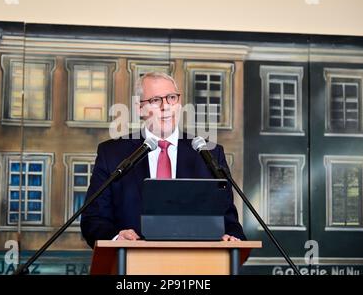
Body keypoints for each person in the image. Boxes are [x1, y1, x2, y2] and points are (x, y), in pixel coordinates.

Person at [80, 72, 246, 248]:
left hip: (195, 265)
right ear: (139, 108)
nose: (165, 106)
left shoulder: (208, 153)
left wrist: (232, 237)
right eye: (155, 100)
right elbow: (93, 219)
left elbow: (228, 221)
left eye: (171, 98)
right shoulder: (112, 153)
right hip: (133, 264)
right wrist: (115, 238)